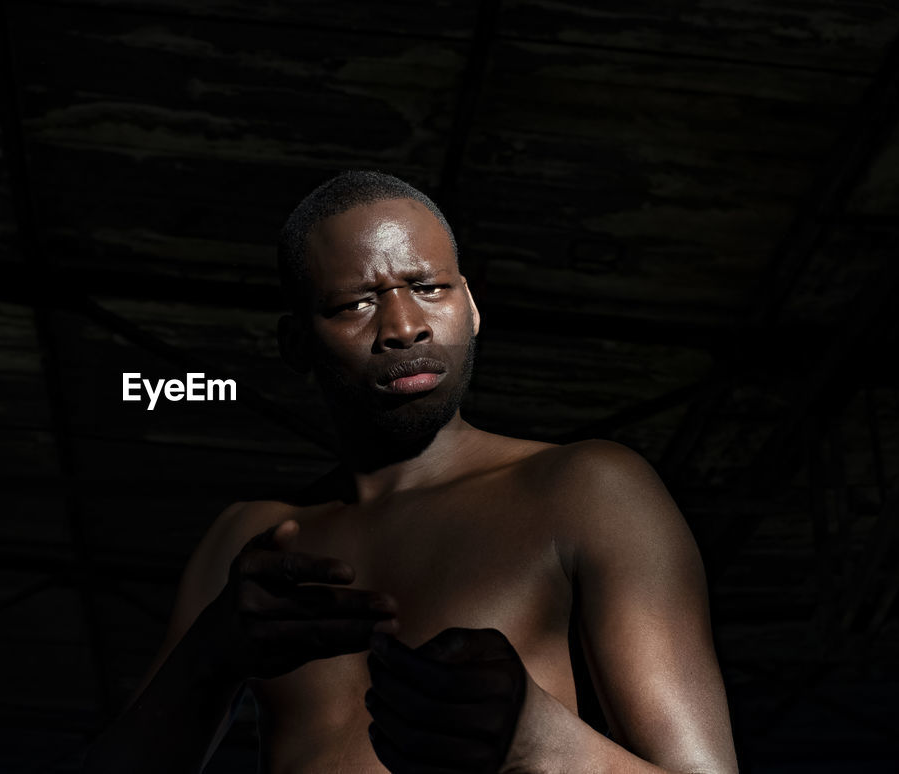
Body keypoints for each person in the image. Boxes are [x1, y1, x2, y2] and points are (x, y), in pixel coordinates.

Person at [83, 171, 739, 773]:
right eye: (355, 304)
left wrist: (542, 744)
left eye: (429, 288)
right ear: (295, 343)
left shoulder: (587, 488)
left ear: (472, 306)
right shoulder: (250, 542)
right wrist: (210, 656)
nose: (404, 327)